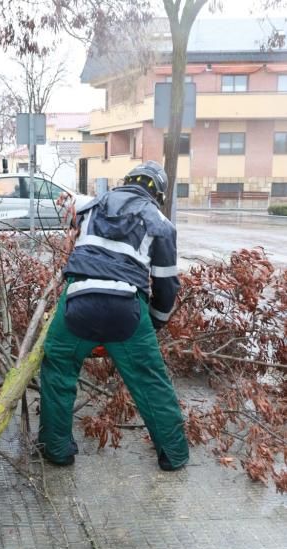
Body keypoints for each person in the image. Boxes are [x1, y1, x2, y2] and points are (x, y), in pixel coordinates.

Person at [38, 160, 189, 471]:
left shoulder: (92, 205)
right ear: (158, 194)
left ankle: (57, 451)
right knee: (150, 381)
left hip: (78, 299)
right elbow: (166, 285)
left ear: (126, 180)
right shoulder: (161, 223)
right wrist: (156, 323)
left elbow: (75, 231)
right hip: (126, 308)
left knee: (58, 368)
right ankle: (174, 456)